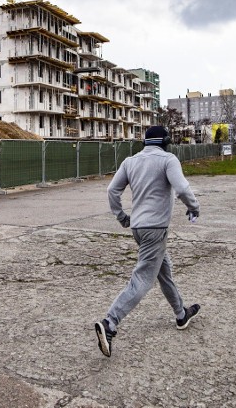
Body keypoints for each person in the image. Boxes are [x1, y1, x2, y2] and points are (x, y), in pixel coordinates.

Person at [94, 126, 201, 357]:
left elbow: (112, 190)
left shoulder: (130, 161)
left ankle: (181, 314)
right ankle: (110, 323)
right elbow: (182, 188)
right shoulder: (168, 160)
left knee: (164, 271)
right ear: (165, 141)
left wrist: (122, 217)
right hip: (156, 229)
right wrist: (194, 207)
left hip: (138, 228)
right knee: (143, 278)